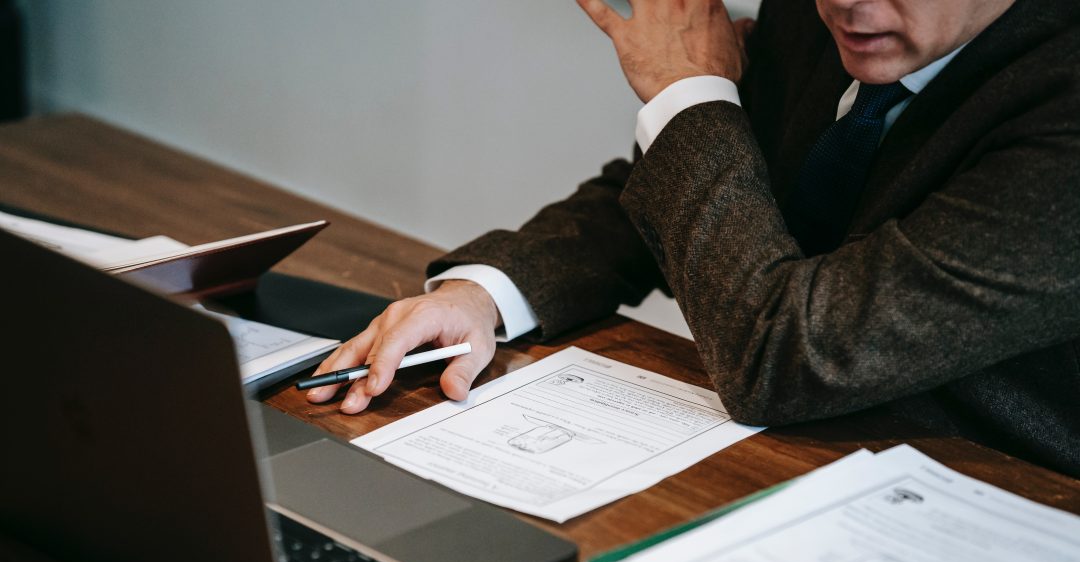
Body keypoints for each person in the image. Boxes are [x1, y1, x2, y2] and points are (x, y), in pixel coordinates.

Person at [309, 0, 1080, 477]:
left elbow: (784, 354)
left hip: (1006, 503)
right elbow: (710, 191)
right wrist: (486, 294)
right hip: (802, 457)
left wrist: (689, 95)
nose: (841, 3)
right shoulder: (836, 15)